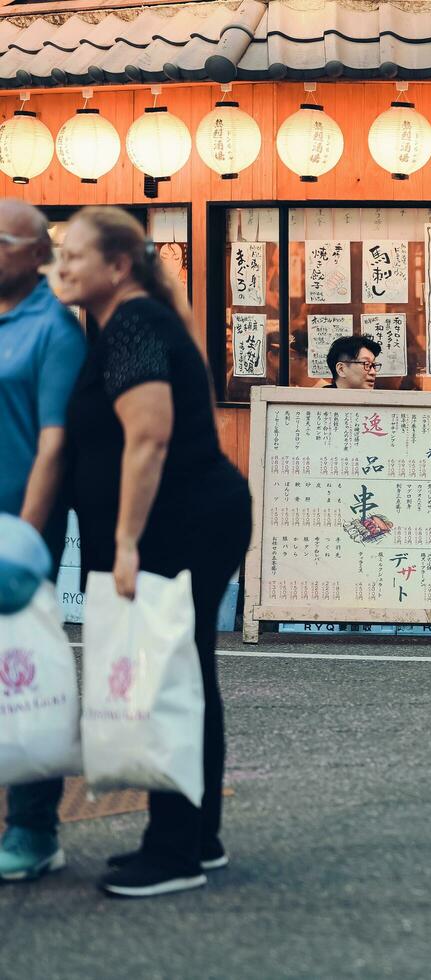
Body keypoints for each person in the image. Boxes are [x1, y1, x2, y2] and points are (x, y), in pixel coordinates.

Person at [54, 206, 252, 898]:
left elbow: (150, 437)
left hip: (178, 523)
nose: (63, 265)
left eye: (75, 254)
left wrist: (127, 542)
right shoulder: (125, 323)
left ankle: (174, 853)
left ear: (118, 267)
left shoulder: (134, 323)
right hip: (193, 516)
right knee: (186, 670)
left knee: (168, 674)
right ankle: (198, 834)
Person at [0, 200, 86, 884]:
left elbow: (56, 442)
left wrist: (26, 541)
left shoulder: (53, 328)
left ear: (36, 256)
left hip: (17, 527)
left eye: (2, 240)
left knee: (22, 674)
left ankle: (34, 828)